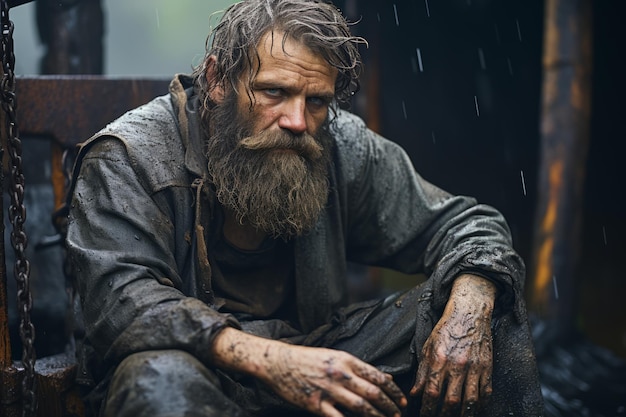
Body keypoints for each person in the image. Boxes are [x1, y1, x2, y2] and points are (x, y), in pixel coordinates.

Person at [66, 0, 544, 416]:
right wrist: (272, 360)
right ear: (216, 80)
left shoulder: (337, 147)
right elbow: (120, 304)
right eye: (274, 92)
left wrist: (469, 309)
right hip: (196, 365)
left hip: (319, 354)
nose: (297, 121)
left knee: (489, 320)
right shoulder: (130, 156)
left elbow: (468, 225)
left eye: (316, 101)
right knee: (160, 379)